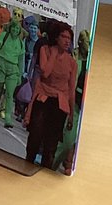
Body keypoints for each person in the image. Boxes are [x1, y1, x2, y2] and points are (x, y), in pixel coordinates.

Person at [24, 24, 77, 168]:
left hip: (59, 104)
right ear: (56, 37)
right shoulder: (45, 50)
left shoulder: (72, 63)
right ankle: (28, 163)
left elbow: (71, 89)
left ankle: (44, 171)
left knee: (51, 143)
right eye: (64, 37)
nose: (67, 41)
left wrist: (71, 114)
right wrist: (54, 53)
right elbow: (45, 73)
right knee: (35, 135)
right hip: (43, 98)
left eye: (69, 38)